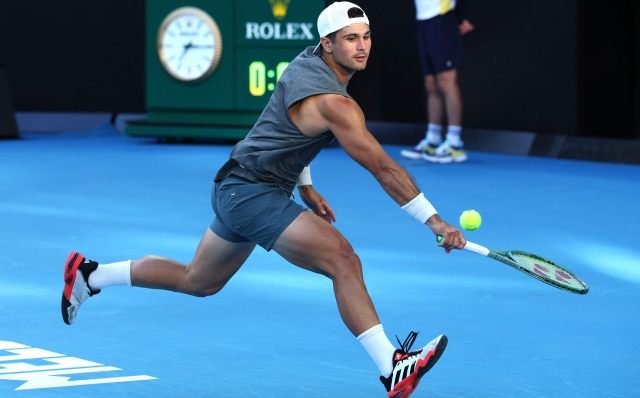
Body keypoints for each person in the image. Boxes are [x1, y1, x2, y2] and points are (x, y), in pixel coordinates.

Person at [61, 2, 466, 396]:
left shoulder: (304, 63)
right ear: (327, 44)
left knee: (199, 281)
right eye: (349, 39)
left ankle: (91, 275)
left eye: (366, 37)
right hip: (252, 193)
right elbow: (383, 168)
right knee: (344, 260)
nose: (361, 46)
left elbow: (289, 123)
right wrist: (434, 221)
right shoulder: (336, 104)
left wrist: (304, 184)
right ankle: (392, 367)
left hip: (233, 186)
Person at [401, 0, 474, 163]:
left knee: (447, 83)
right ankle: (433, 140)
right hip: (423, 21)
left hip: (442, 19)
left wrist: (462, 17)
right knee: (431, 84)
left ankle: (455, 143)